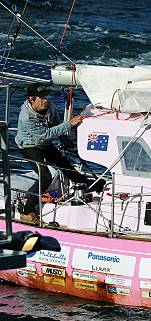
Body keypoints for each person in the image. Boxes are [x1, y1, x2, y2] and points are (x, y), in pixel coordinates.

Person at [15, 83, 105, 224]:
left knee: (65, 164)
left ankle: (87, 185)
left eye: (46, 97)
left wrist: (68, 143)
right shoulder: (26, 117)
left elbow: (55, 124)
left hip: (44, 143)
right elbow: (46, 133)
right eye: (41, 98)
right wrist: (69, 124)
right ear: (31, 99)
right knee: (45, 177)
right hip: (29, 145)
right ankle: (27, 211)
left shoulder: (49, 106)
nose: (45, 100)